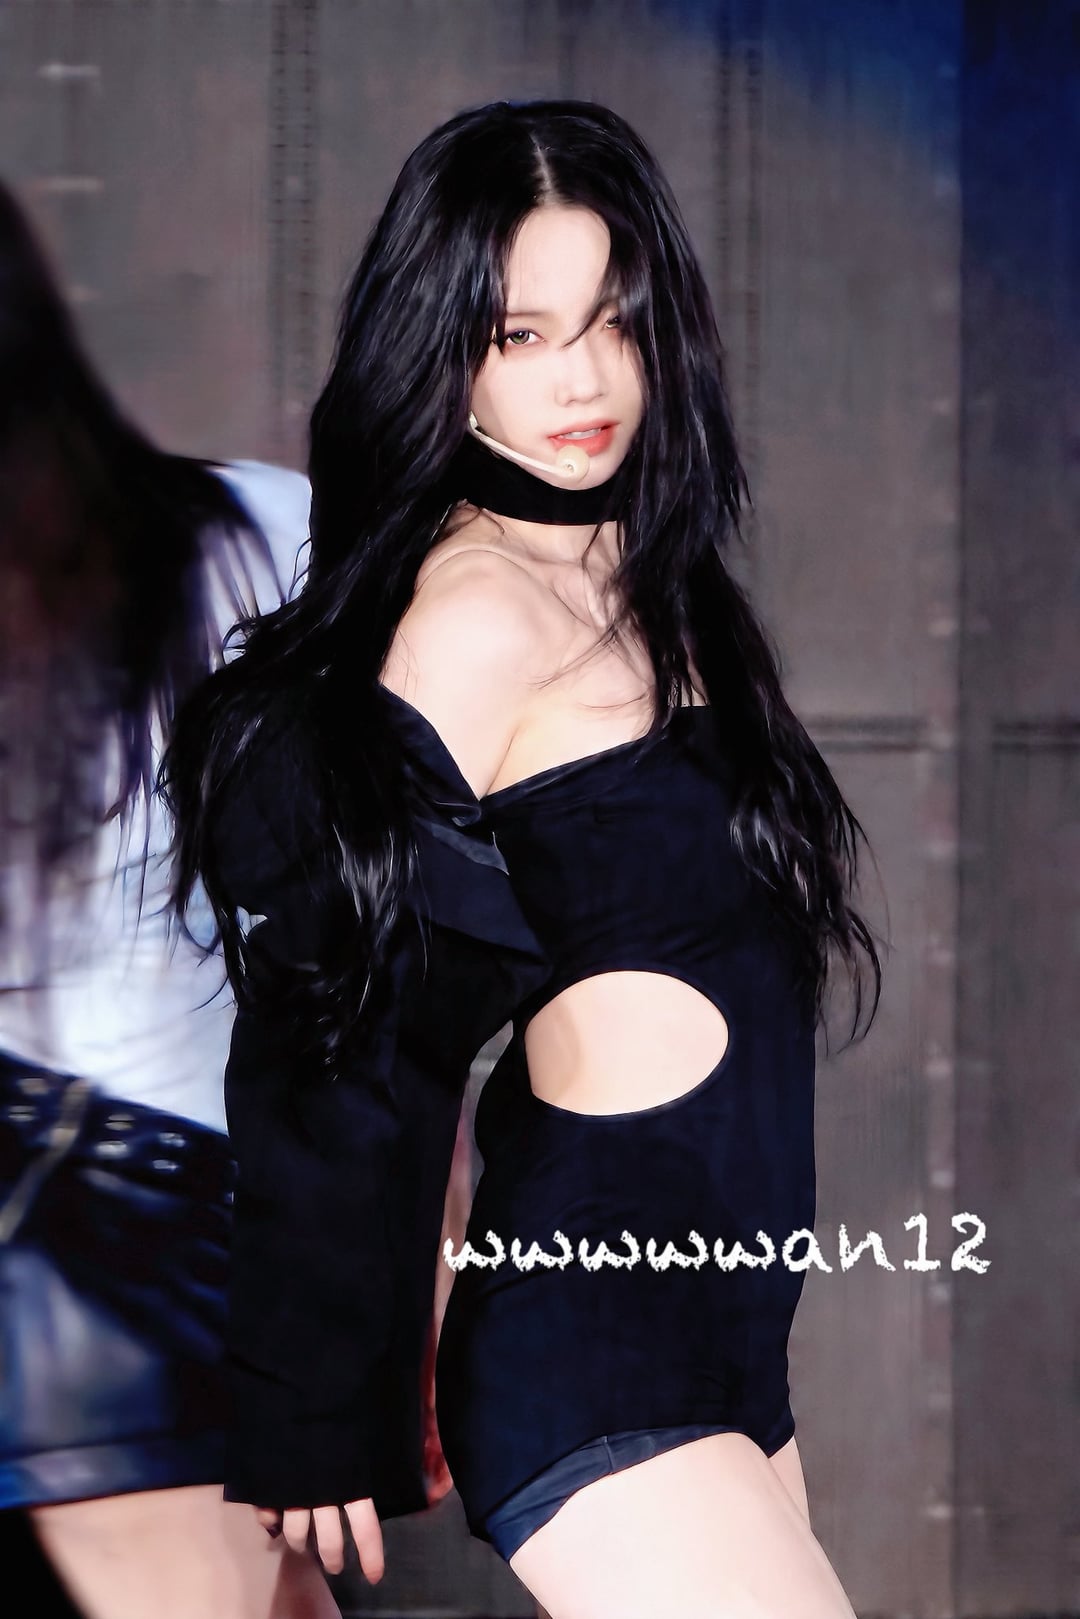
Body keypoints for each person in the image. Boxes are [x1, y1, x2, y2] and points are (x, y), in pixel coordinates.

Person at [164, 100, 884, 1618]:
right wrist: (311, 1409)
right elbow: (336, 1026)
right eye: (521, 334)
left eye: (615, 322)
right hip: (591, 1351)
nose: (584, 378)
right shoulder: (478, 610)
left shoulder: (660, 587)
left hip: (726, 1344)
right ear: (449, 353)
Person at [0, 179, 337, 1618]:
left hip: (104, 1228)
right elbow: (364, 934)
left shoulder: (264, 537)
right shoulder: (266, 530)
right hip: (149, 1222)